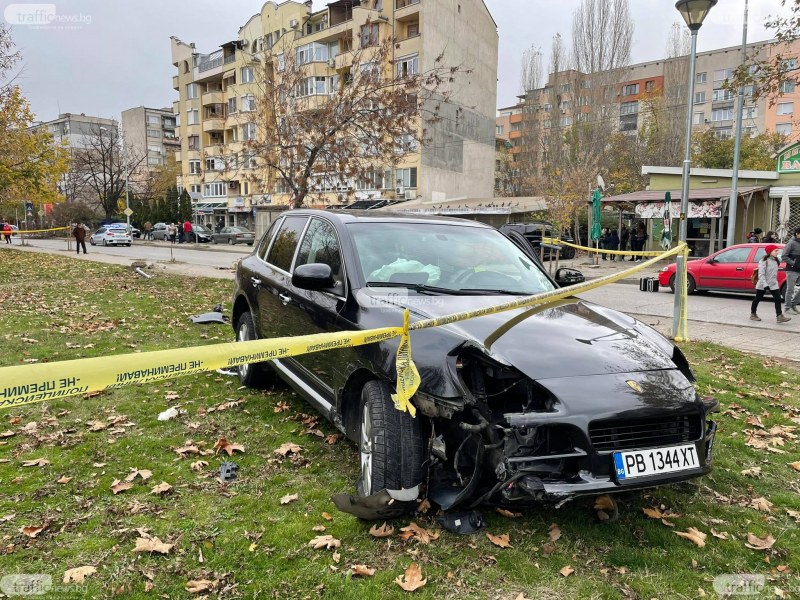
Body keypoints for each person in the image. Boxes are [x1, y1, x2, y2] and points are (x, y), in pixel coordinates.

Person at [751, 244, 790, 323]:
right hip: (763, 283)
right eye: (775, 251)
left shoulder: (776, 260)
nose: (777, 252)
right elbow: (761, 274)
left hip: (773, 284)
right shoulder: (763, 261)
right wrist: (765, 285)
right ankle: (753, 314)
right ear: (770, 252)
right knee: (758, 298)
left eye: (777, 251)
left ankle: (779, 316)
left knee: (778, 299)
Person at [783, 226, 800, 315]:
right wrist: (793, 263)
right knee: (790, 289)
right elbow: (784, 256)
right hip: (792, 270)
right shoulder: (791, 243)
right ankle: (787, 307)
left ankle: (793, 304)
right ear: (797, 233)